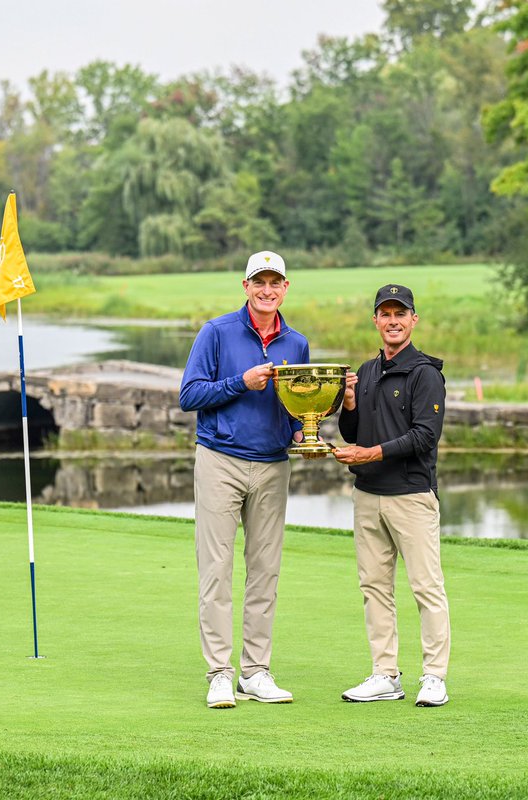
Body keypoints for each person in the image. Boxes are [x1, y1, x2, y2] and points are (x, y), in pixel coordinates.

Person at [179, 250, 310, 709]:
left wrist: (301, 429)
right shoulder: (216, 333)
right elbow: (189, 394)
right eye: (260, 282)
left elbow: (296, 405)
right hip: (220, 460)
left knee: (265, 572)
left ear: (286, 288)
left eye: (276, 282)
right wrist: (241, 382)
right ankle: (219, 672)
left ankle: (255, 672)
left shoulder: (298, 344)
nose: (267, 290)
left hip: (273, 465)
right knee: (215, 569)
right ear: (246, 286)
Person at [332, 284, 451, 707]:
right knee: (375, 588)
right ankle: (385, 674)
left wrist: (370, 452)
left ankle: (434, 677)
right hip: (367, 494)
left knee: (426, 588)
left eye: (401, 313)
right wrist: (348, 402)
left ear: (414, 319)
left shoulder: (425, 373)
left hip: (411, 495)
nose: (393, 320)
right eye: (386, 313)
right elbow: (354, 433)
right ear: (376, 320)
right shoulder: (364, 372)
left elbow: (424, 436)